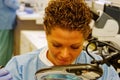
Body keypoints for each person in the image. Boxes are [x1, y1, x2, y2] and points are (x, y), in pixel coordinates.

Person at [0, 0, 119, 80]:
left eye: (74, 47)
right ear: (46, 32)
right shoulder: (20, 69)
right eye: (57, 45)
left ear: (86, 35)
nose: (65, 55)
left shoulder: (102, 71)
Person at [0, 0, 20, 66]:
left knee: (6, 47)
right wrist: (18, 5)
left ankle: (5, 66)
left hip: (4, 21)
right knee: (4, 48)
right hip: (5, 22)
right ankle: (2, 67)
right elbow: (10, 2)